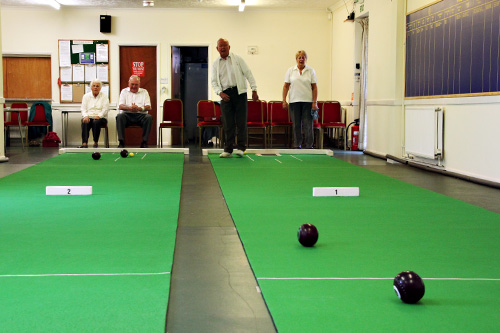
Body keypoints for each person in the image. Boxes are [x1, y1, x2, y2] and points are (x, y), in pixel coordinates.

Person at [211, 38, 259, 158]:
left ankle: (241, 148)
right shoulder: (215, 64)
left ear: (229, 47)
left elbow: (248, 73)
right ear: (217, 49)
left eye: (225, 45)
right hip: (225, 95)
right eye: (220, 46)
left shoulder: (238, 59)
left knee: (241, 122)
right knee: (228, 123)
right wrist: (220, 93)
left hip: (240, 93)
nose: (222, 48)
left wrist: (254, 89)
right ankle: (228, 149)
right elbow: (214, 82)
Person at [282, 50, 318, 149]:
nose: (301, 59)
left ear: (306, 59)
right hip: (294, 101)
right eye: (299, 57)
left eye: (303, 57)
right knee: (296, 124)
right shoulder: (290, 70)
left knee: (308, 125)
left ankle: (309, 145)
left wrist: (314, 102)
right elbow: (286, 86)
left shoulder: (311, 71)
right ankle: (297, 144)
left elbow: (314, 87)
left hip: (307, 102)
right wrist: (284, 100)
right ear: (296, 59)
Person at [116, 75, 152, 148]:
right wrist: (129, 108)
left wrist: (139, 108)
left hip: (140, 115)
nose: (134, 86)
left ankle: (144, 142)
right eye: (132, 84)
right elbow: (120, 106)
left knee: (149, 117)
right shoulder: (124, 91)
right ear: (128, 84)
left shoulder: (144, 92)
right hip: (127, 115)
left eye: (136, 84)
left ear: (139, 84)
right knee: (119, 116)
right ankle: (121, 142)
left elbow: (149, 107)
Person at [80, 79, 109, 148]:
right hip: (89, 116)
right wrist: (85, 116)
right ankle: (84, 143)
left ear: (100, 88)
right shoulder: (86, 96)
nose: (95, 87)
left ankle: (95, 142)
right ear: (91, 87)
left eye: (97, 86)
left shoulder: (104, 96)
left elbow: (105, 109)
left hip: (101, 118)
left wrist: (99, 116)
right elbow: (83, 108)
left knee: (96, 122)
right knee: (85, 121)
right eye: (94, 86)